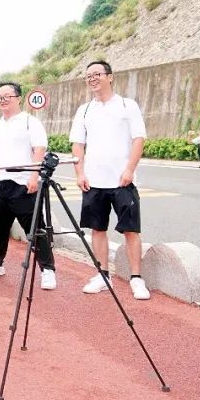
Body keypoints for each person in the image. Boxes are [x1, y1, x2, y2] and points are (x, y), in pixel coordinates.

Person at [69, 61, 151, 300]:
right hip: (94, 181)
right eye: (88, 76)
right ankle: (102, 275)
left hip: (122, 181)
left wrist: (129, 169)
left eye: (97, 74)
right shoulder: (84, 109)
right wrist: (80, 173)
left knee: (131, 230)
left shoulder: (127, 105)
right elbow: (78, 144)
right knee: (97, 228)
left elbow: (138, 139)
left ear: (110, 77)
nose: (92, 79)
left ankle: (136, 278)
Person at [0, 82, 57, 290]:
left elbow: (39, 150)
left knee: (34, 228)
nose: (2, 100)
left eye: (7, 96)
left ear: (18, 98)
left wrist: (33, 176)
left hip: (22, 184)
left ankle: (47, 270)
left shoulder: (30, 122)